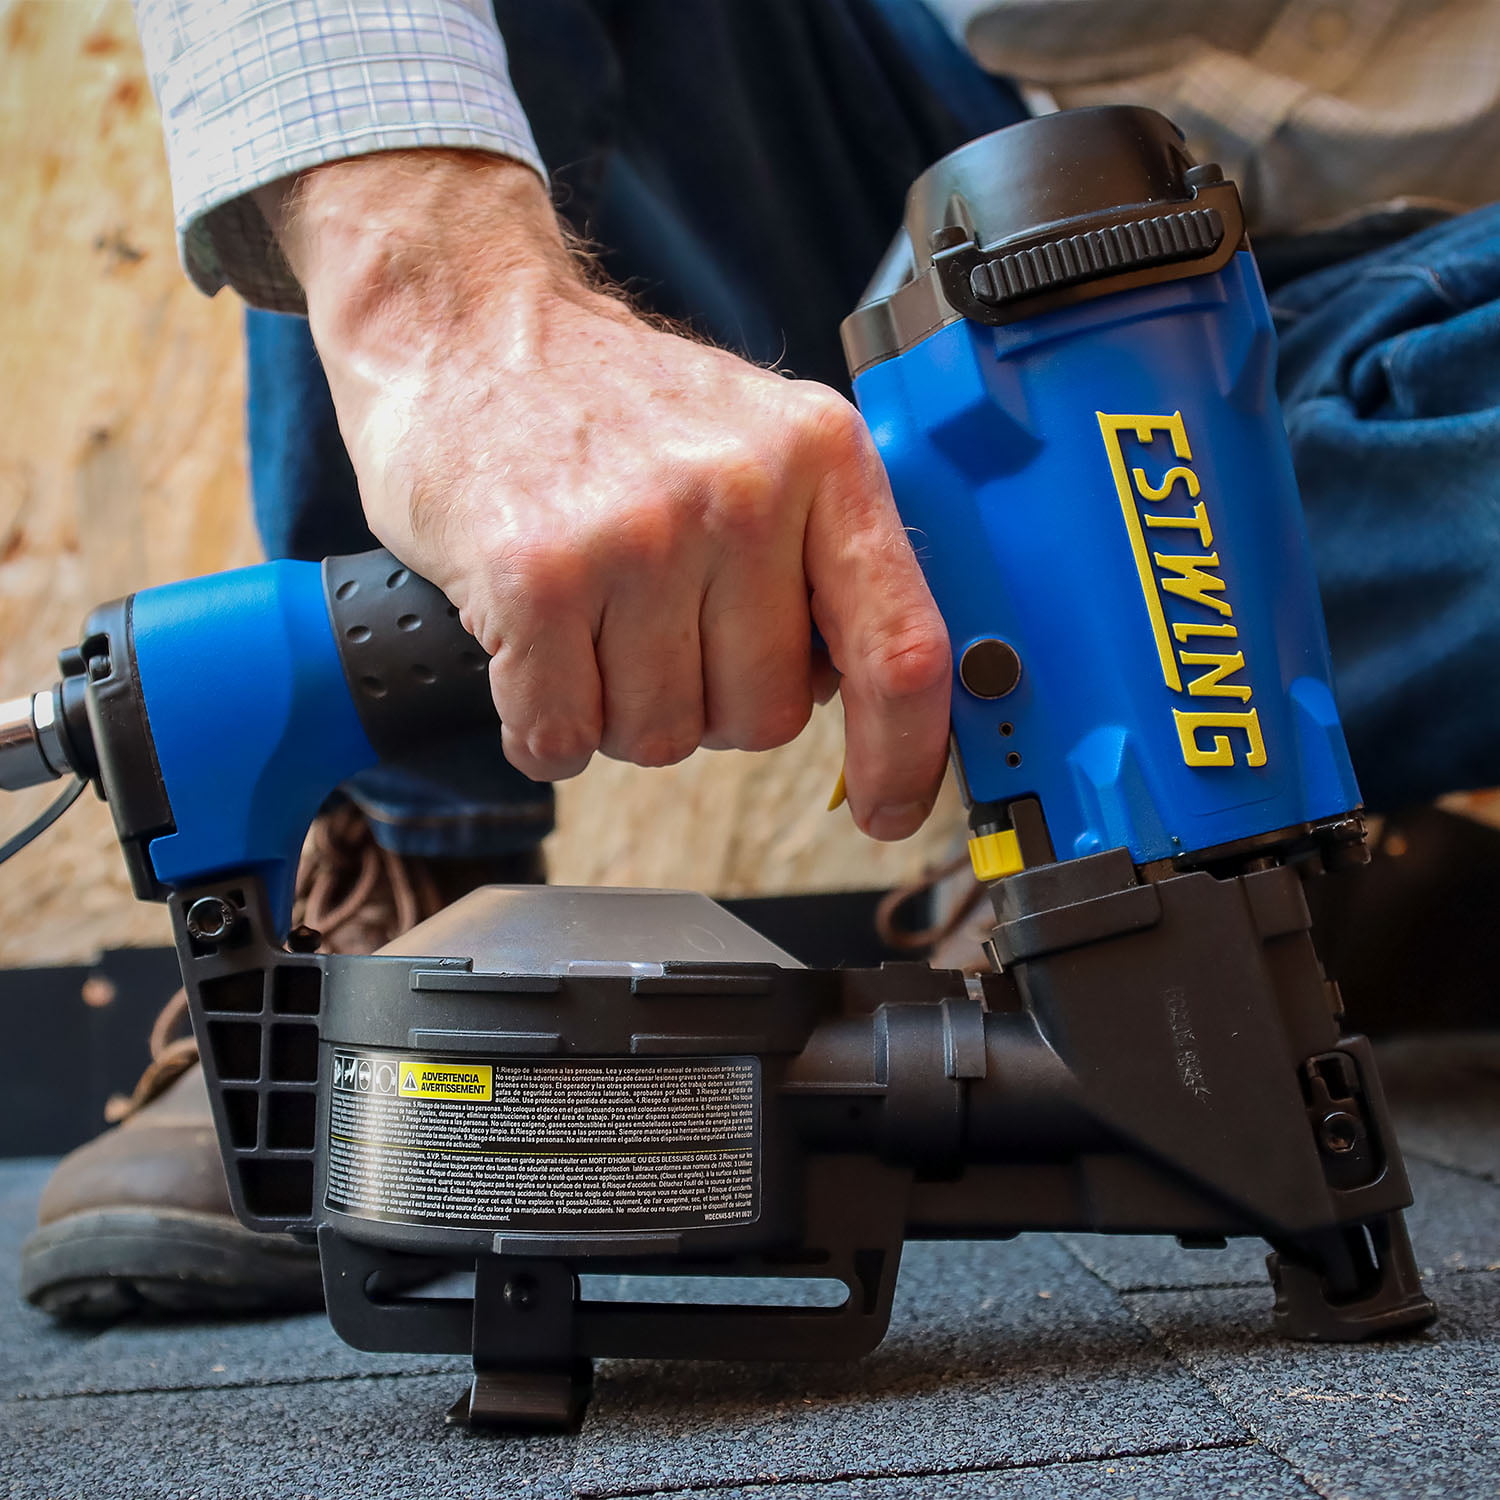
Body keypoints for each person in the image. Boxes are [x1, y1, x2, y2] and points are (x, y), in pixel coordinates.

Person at [22, 0, 1500, 1317]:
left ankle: (1125, 857)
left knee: (1146, 532)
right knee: (427, 100)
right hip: (893, 132)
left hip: (1427, 277)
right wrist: (459, 325)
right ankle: (392, 894)